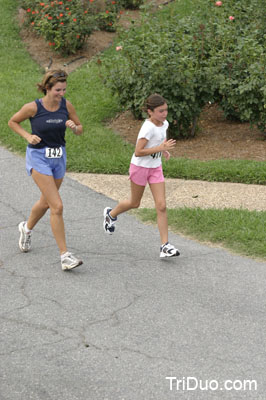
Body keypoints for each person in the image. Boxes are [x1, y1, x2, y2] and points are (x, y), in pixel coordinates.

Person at [8, 69, 83, 270]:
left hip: (58, 157)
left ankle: (26, 228)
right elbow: (13, 121)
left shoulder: (66, 106)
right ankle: (65, 256)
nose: (61, 93)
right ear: (47, 88)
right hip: (38, 157)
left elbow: (79, 128)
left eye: (64, 89)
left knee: (45, 202)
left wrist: (74, 128)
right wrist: (27, 136)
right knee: (56, 206)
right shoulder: (33, 107)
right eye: (58, 90)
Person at [103, 93, 180, 258]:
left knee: (161, 205)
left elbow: (160, 138)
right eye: (160, 111)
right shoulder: (147, 128)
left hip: (155, 168)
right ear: (150, 112)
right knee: (134, 203)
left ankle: (165, 246)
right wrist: (160, 148)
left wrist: (163, 148)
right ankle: (111, 215)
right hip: (140, 168)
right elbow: (138, 152)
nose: (164, 114)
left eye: (166, 110)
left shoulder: (163, 123)